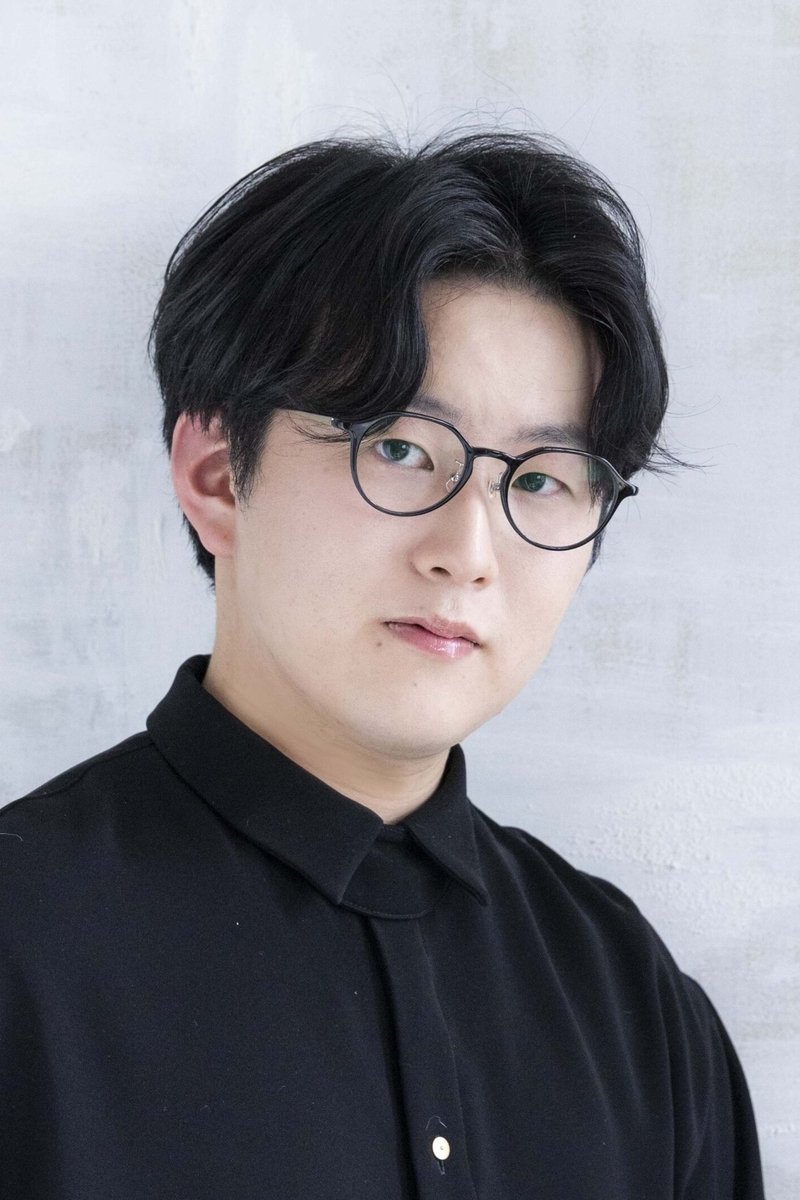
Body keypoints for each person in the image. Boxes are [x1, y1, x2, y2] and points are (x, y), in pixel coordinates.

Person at [0, 129, 764, 1199]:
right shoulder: (25, 948)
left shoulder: (633, 1004)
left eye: (540, 479)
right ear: (217, 475)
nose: (468, 550)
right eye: (400, 448)